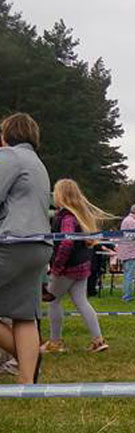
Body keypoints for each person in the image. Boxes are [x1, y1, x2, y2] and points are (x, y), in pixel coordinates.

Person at [0, 113, 53, 383]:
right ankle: (27, 382)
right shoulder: (38, 163)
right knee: (24, 315)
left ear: (6, 134)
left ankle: (26, 355)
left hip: (11, 242)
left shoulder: (9, 157)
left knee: (22, 315)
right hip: (39, 245)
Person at [42, 179, 111, 353]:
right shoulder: (79, 215)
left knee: (53, 301)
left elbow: (66, 243)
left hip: (67, 268)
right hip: (81, 266)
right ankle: (98, 340)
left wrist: (57, 267)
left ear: (61, 195)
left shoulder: (66, 217)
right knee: (82, 302)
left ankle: (55, 342)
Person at [117, 203, 135, 301]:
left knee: (127, 275)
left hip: (126, 251)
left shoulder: (126, 220)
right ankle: (127, 296)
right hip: (132, 252)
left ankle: (126, 295)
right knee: (130, 276)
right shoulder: (132, 222)